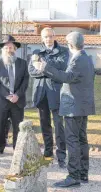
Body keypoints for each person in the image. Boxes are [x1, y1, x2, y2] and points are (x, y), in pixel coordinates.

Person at [37, 31, 95, 187]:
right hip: (82, 106)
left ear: (70, 45)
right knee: (82, 140)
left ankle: (74, 176)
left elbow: (67, 77)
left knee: (73, 141)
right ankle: (83, 174)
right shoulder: (87, 58)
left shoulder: (77, 60)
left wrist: (45, 67)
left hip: (73, 107)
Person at [28, 27, 69, 168]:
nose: (48, 39)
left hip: (56, 92)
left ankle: (61, 155)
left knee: (59, 125)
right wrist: (49, 70)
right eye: (45, 37)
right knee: (44, 124)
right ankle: (47, 152)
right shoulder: (36, 52)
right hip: (41, 94)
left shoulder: (63, 51)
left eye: (50, 36)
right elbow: (32, 71)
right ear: (42, 38)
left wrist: (43, 67)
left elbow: (62, 66)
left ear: (54, 36)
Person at [0, 35, 29, 156]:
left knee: (18, 126)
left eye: (11, 47)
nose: (9, 50)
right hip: (1, 99)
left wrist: (17, 95)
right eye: (6, 48)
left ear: (15, 49)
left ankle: (17, 149)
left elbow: (25, 81)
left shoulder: (22, 63)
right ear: (3, 49)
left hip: (18, 100)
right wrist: (7, 95)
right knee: (0, 124)